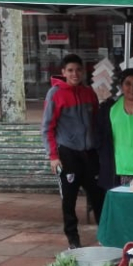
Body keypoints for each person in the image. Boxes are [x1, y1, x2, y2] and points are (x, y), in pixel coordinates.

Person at [41, 53, 106, 250]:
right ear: (63, 73)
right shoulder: (55, 93)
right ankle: (73, 239)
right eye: (70, 70)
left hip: (90, 153)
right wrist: (53, 156)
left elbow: (96, 122)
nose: (75, 74)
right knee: (69, 199)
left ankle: (104, 235)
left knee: (98, 196)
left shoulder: (89, 93)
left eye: (78, 70)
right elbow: (47, 128)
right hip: (67, 154)